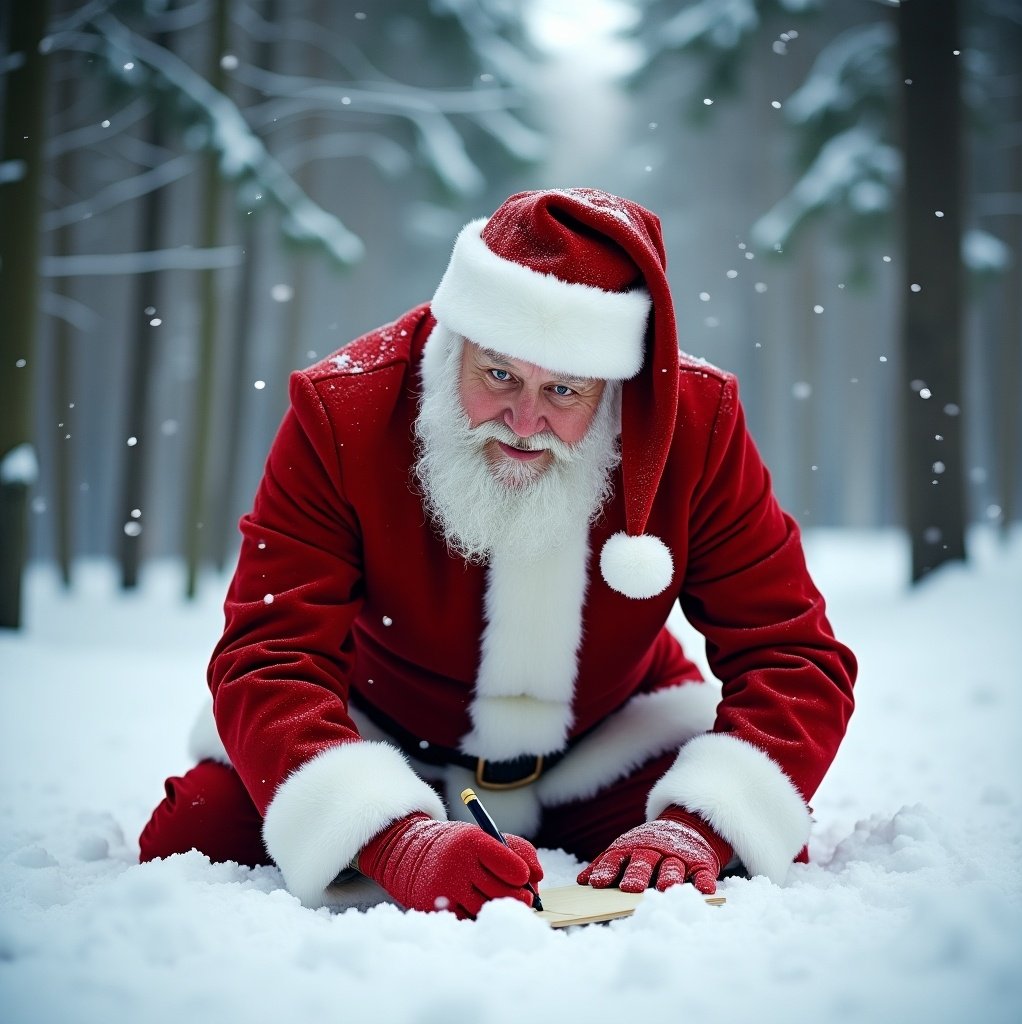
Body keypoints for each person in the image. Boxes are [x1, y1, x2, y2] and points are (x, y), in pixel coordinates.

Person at [140, 188, 856, 919]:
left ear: (613, 386)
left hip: (606, 747)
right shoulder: (344, 412)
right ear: (460, 338)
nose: (523, 420)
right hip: (381, 735)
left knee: (747, 846)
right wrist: (393, 838)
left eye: (564, 390)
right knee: (194, 833)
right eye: (499, 374)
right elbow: (268, 655)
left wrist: (697, 823)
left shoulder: (695, 427)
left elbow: (794, 657)